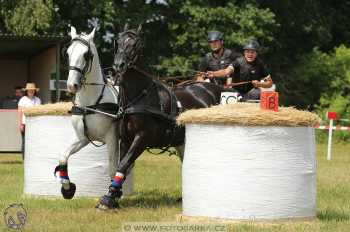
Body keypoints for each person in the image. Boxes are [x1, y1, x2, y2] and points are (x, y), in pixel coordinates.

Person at [206, 40, 273, 100]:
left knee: (257, 93)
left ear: (256, 53)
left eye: (252, 52)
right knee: (228, 92)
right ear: (244, 52)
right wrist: (214, 73)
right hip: (236, 92)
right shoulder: (238, 62)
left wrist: (259, 84)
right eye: (247, 52)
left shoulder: (260, 64)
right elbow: (226, 71)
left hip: (251, 93)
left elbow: (269, 83)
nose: (250, 54)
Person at [18, 83, 42, 159]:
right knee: (25, 141)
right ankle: (24, 158)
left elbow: (40, 111)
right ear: (27, 91)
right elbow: (19, 112)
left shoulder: (38, 100)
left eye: (32, 90)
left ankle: (33, 157)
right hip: (25, 123)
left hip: (35, 124)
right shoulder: (23, 99)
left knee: (35, 141)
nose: (31, 92)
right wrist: (20, 123)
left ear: (35, 91)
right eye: (29, 90)